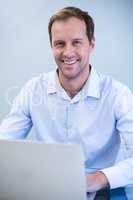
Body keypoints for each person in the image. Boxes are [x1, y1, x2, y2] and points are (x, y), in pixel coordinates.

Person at [0, 6, 133, 199]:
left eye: (77, 42)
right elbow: (3, 144)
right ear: (52, 46)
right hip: (47, 187)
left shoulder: (118, 94)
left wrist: (99, 177)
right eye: (60, 44)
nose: (67, 52)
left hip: (102, 189)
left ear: (92, 44)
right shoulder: (33, 89)